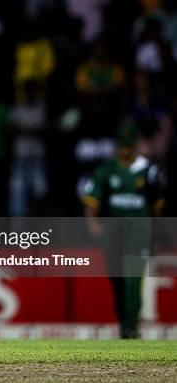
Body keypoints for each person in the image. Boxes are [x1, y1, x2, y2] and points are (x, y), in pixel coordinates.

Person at [82, 121, 165, 338]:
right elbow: (92, 200)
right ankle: (124, 326)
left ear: (135, 144)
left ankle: (131, 328)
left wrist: (155, 237)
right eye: (123, 145)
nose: (126, 150)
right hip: (113, 235)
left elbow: (157, 208)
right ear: (117, 145)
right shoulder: (106, 170)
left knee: (132, 280)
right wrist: (93, 224)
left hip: (139, 234)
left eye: (130, 145)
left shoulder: (148, 171)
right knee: (117, 281)